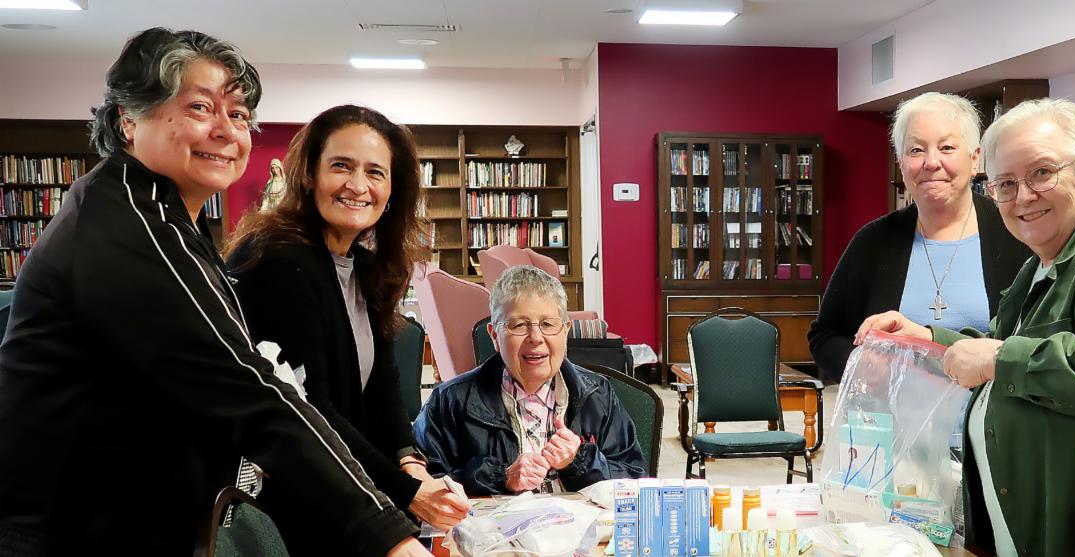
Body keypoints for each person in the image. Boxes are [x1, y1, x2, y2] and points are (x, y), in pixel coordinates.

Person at [0, 28, 427, 556]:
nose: (226, 131)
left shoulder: (163, 217)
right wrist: (388, 532)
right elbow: (253, 391)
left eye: (239, 114)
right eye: (200, 107)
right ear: (128, 119)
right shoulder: (133, 231)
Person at [856, 98, 1075, 556]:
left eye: (1042, 173)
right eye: (1005, 184)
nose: (1022, 197)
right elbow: (1004, 345)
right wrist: (930, 338)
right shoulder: (1043, 261)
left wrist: (998, 360)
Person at [225, 104, 469, 554]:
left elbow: (384, 389)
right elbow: (310, 408)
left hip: (347, 496)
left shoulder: (366, 266)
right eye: (341, 166)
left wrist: (410, 462)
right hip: (294, 509)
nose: (358, 185)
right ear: (309, 175)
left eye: (375, 172)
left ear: (392, 190)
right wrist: (406, 491)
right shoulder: (278, 260)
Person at [808, 92, 1030, 382]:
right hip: (896, 410)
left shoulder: (1018, 233)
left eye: (947, 147)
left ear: (975, 158)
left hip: (992, 409)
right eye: (916, 150)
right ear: (901, 163)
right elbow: (824, 335)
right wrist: (860, 364)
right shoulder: (873, 242)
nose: (931, 162)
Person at [414, 265, 646, 495]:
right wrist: (501, 477)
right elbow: (423, 489)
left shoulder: (598, 394)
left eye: (547, 324)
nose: (535, 338)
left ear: (565, 331)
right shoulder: (449, 402)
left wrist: (579, 461)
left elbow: (635, 479)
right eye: (519, 325)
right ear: (494, 335)